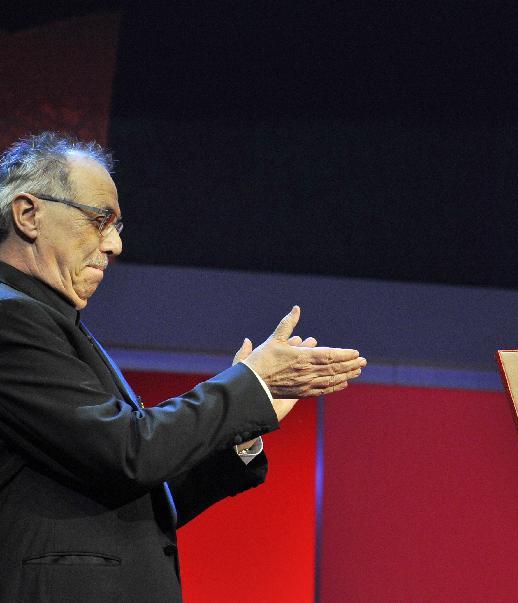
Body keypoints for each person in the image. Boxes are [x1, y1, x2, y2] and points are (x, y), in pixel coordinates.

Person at [0, 132, 367, 601]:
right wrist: (247, 386)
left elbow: (137, 493)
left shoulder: (50, 320)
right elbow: (128, 450)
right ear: (28, 214)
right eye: (99, 220)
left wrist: (242, 430)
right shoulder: (11, 318)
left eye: (117, 226)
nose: (114, 245)